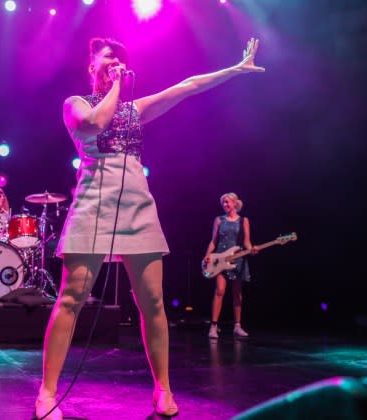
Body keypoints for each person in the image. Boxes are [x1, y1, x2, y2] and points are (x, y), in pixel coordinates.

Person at [35, 37, 264, 419]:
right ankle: (46, 393)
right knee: (71, 299)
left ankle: (163, 389)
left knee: (152, 304)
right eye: (108, 58)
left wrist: (234, 70)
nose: (115, 62)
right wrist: (117, 88)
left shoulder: (134, 109)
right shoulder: (75, 104)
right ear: (92, 67)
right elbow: (94, 124)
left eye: (120, 59)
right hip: (93, 201)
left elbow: (187, 86)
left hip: (137, 205)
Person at [203, 192, 258, 340]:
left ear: (235, 203)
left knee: (237, 293)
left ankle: (237, 326)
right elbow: (213, 241)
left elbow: (247, 241)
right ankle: (213, 326)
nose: (225, 205)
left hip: (237, 260)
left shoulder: (243, 220)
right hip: (220, 259)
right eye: (223, 203)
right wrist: (208, 254)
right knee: (220, 291)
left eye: (227, 202)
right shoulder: (219, 220)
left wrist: (251, 248)